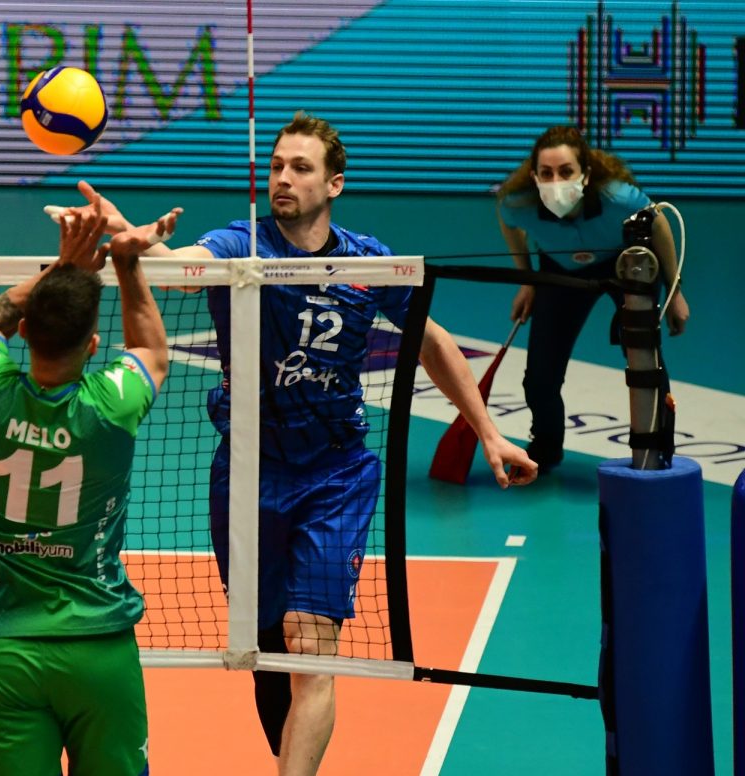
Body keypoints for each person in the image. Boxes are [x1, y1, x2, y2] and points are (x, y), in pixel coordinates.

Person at [66, 111, 537, 776]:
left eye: (301, 167)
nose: (283, 178)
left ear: (334, 183)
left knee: (310, 646)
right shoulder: (242, 243)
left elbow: (430, 341)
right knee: (264, 648)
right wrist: (132, 241)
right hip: (247, 472)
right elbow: (180, 268)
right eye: (277, 166)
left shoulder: (366, 261)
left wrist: (488, 432)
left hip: (336, 474)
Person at [0, 194, 180, 776]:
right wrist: (125, 263)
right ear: (94, 346)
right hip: (98, 646)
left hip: (2, 649)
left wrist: (62, 270)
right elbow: (152, 352)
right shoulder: (111, 405)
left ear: (26, 331)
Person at [497, 125, 690, 472]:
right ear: (534, 176)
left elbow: (658, 224)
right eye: (546, 173)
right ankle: (545, 449)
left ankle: (658, 449)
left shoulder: (619, 198)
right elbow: (508, 223)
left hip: (625, 265)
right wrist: (527, 281)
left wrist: (674, 290)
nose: (556, 181)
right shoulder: (518, 202)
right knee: (540, 377)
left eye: (566, 171)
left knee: (646, 364)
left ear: (585, 174)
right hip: (560, 269)